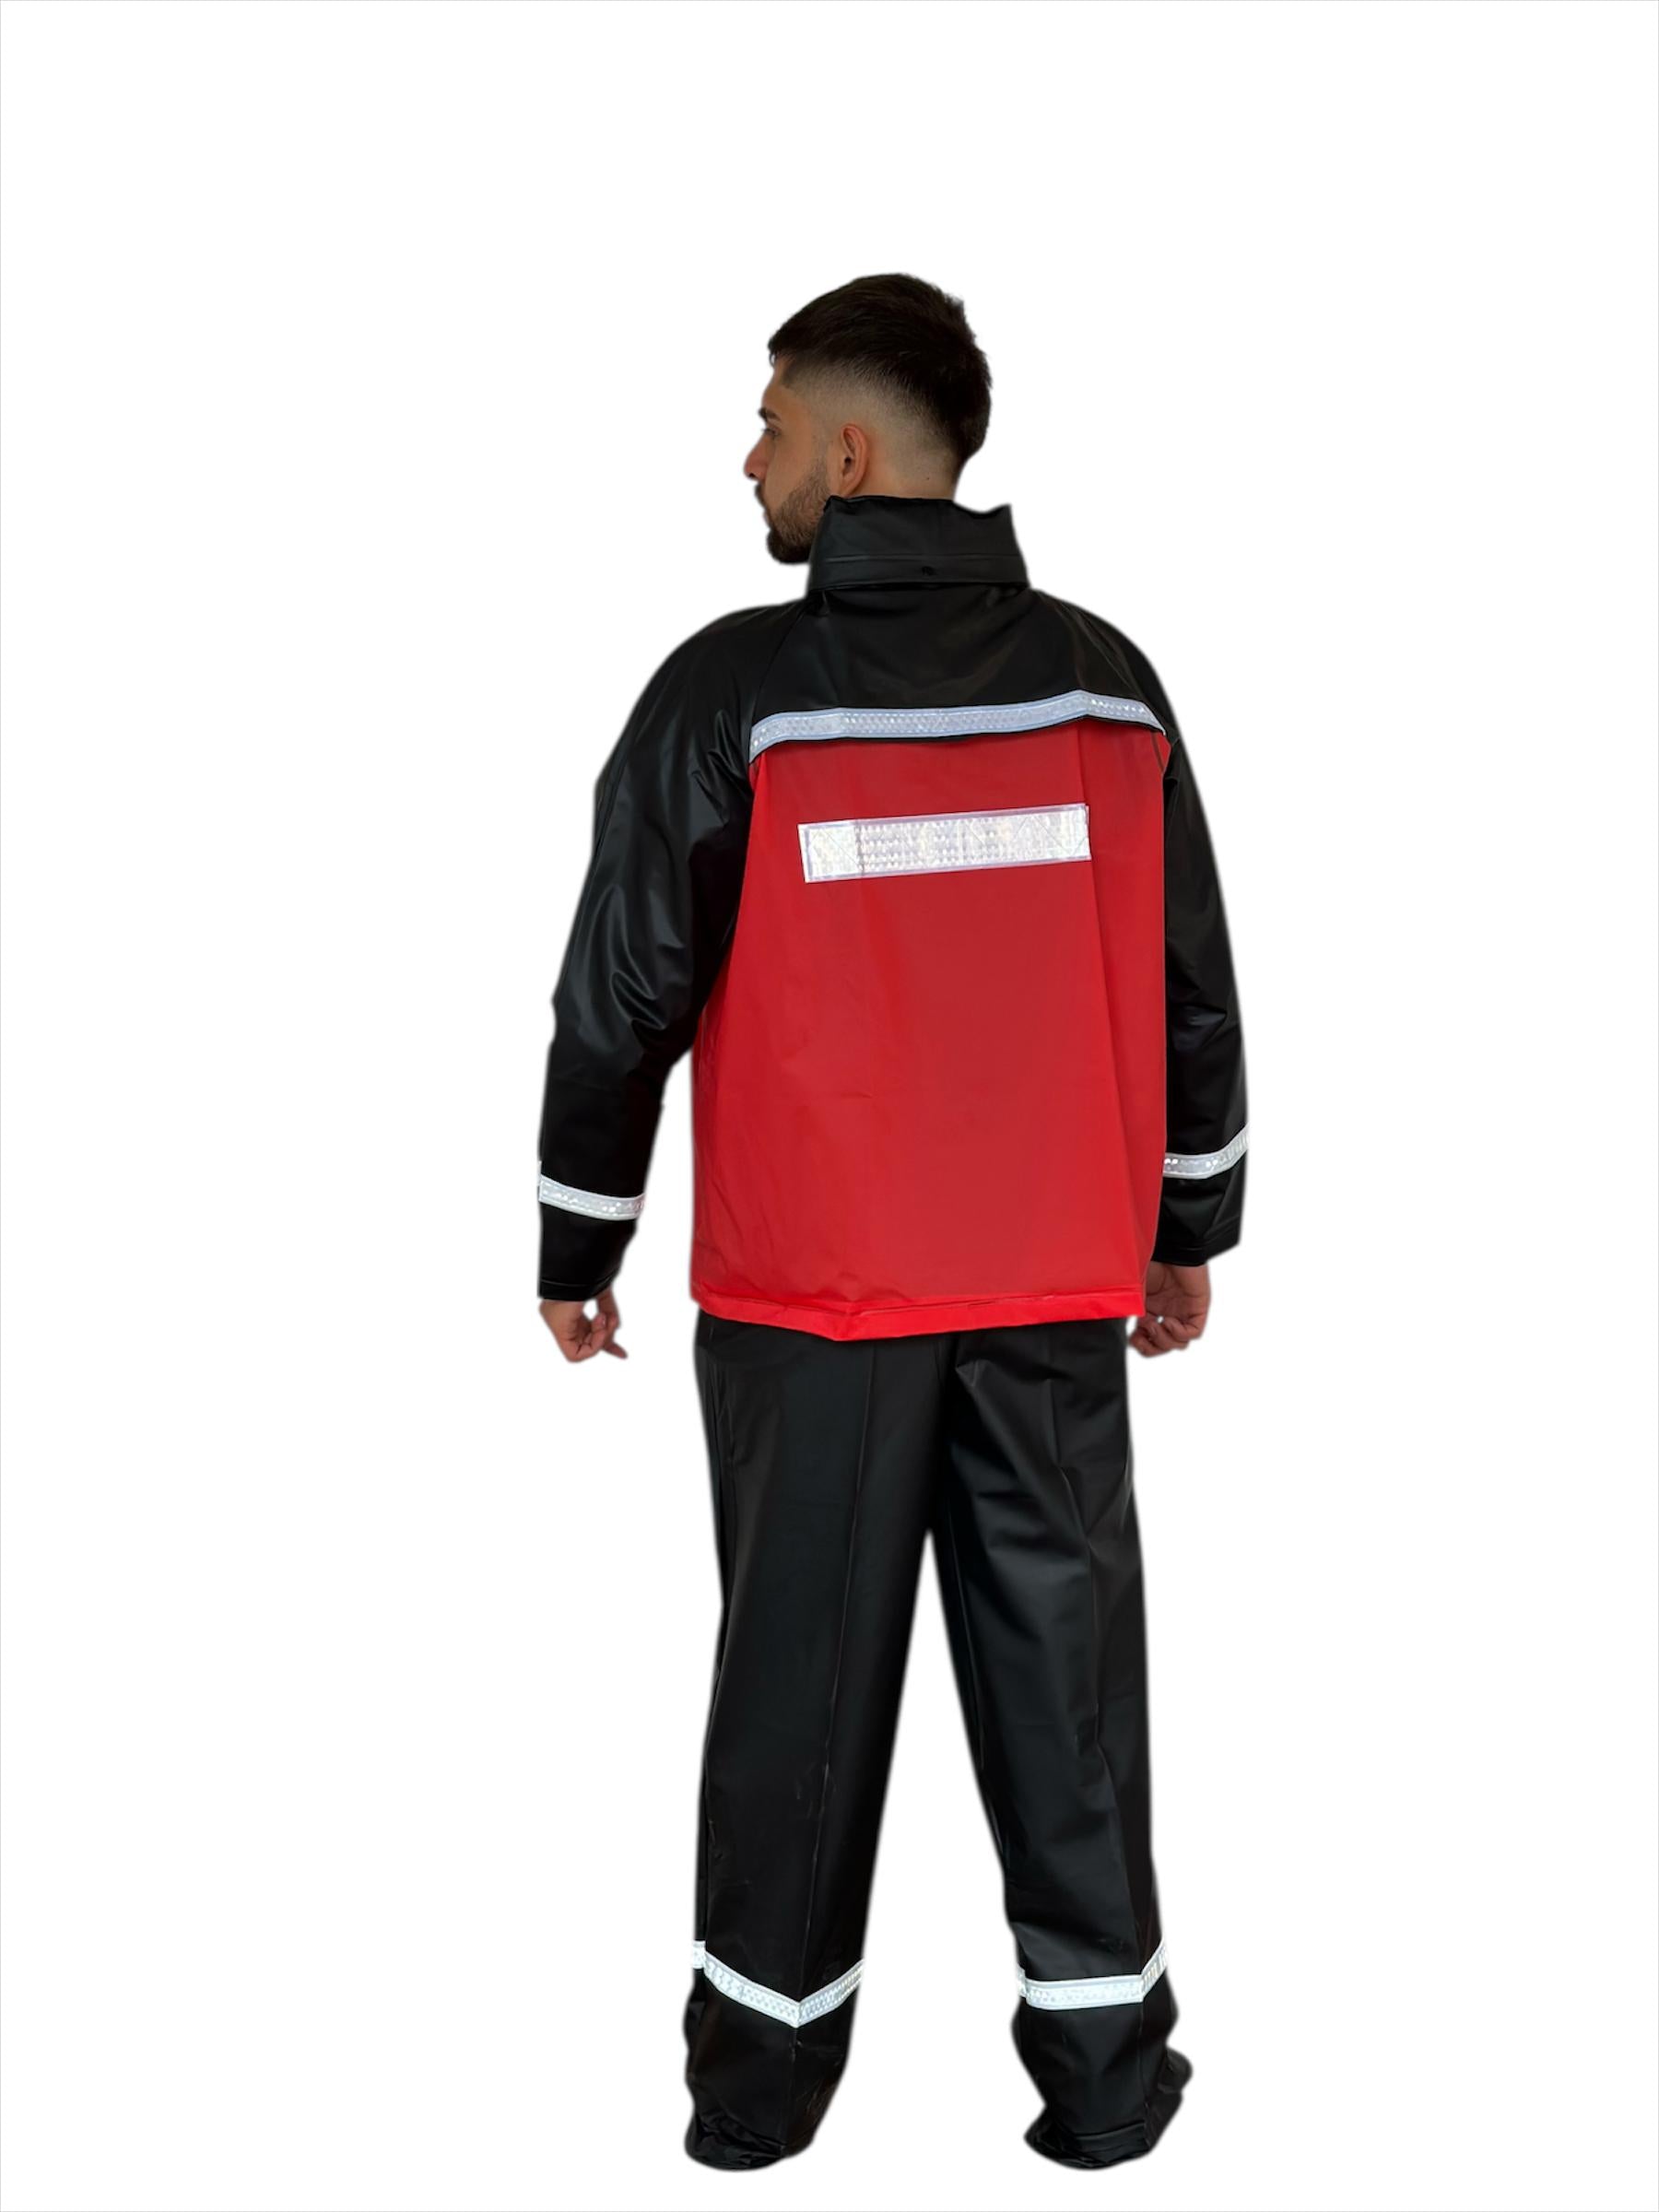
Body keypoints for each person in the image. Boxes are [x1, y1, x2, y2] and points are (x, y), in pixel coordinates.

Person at [535, 273, 1246, 2172]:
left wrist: (577, 1238)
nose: (749, 460)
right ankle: (1109, 2084)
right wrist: (1188, 1221)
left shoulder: (733, 696)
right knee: (1069, 1699)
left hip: (814, 1301)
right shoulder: (1107, 682)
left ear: (850, 456)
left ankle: (758, 2102)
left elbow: (620, 994)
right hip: (1052, 1287)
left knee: (799, 1705)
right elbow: (1189, 982)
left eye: (771, 424)